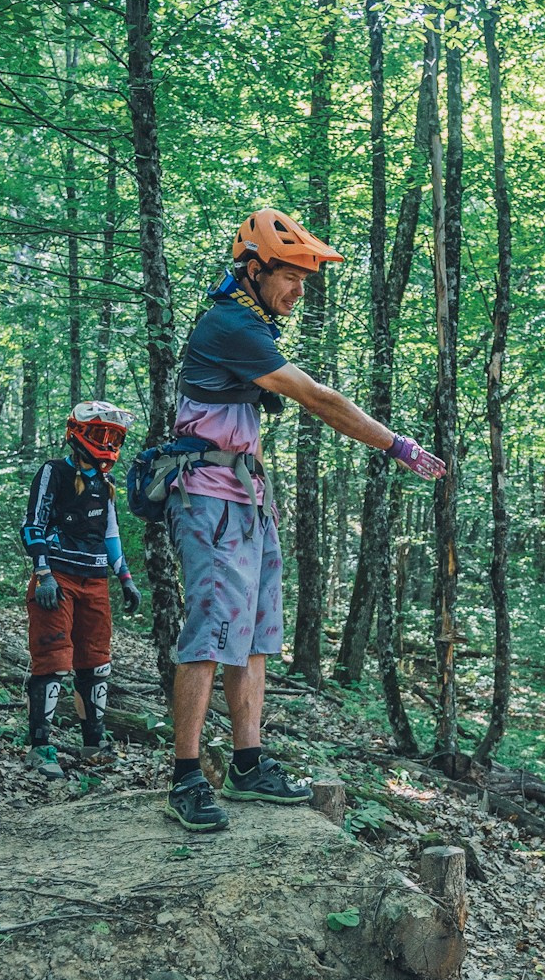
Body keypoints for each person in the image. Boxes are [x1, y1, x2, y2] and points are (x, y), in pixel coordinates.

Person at [162, 208, 444, 832]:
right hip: (210, 499)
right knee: (208, 635)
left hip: (248, 501)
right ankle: (185, 777)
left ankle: (247, 764)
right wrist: (396, 445)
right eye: (290, 276)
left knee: (257, 636)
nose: (298, 291)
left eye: (304, 280)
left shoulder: (252, 323)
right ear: (254, 270)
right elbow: (320, 398)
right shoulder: (230, 324)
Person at [20, 400, 142, 779]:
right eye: (101, 435)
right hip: (58, 577)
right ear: (79, 434)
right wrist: (43, 572)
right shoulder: (53, 472)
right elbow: (32, 525)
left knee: (96, 663)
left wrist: (125, 578)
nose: (107, 443)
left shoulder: (105, 485)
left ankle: (94, 743)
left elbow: (111, 534)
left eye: (113, 437)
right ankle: (40, 747)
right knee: (53, 661)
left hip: (95, 580)